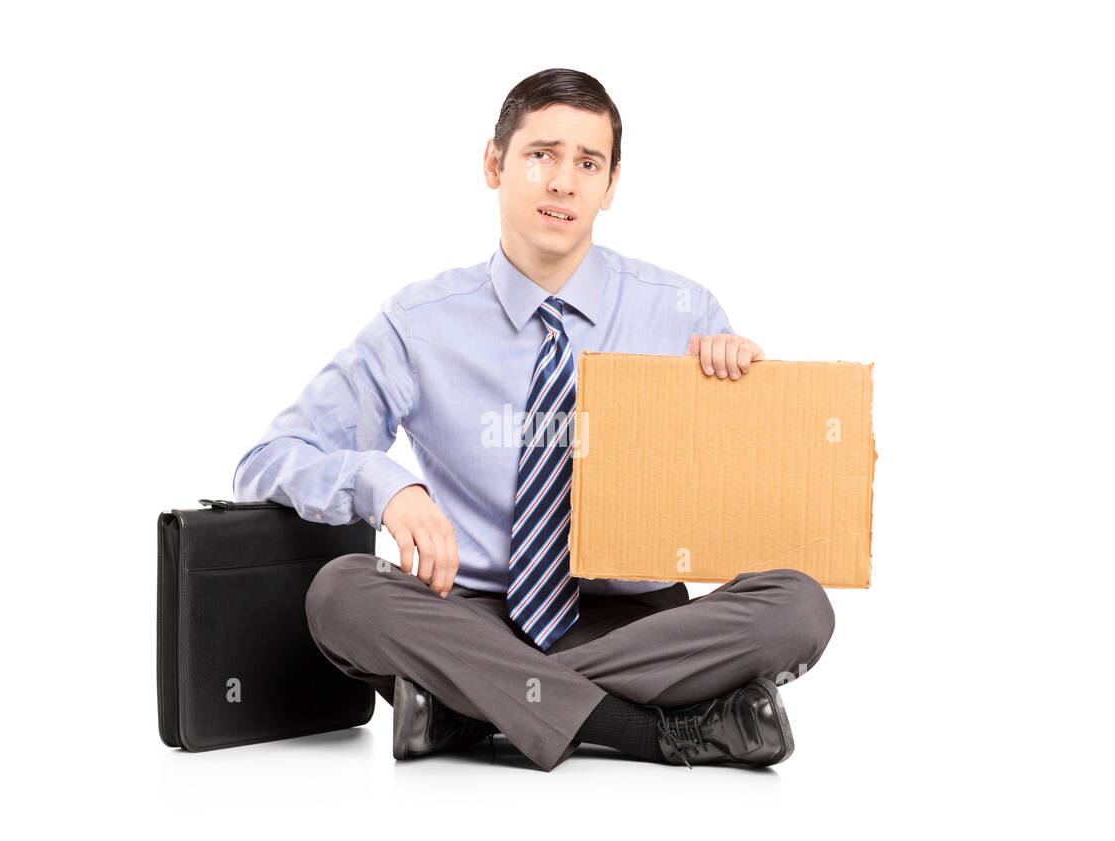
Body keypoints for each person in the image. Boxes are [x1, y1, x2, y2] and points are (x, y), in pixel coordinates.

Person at [232, 67, 835, 772]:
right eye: (541, 155)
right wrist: (385, 484)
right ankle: (651, 729)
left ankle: (468, 709)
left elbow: (737, 513)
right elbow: (268, 459)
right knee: (341, 595)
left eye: (588, 163)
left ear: (611, 186)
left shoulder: (682, 312)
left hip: (642, 625)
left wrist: (743, 404)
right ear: (495, 163)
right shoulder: (420, 323)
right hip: (471, 618)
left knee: (799, 606)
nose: (563, 182)